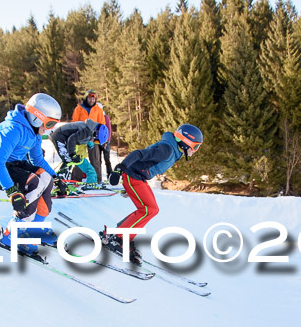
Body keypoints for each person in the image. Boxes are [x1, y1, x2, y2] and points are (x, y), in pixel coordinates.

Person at [102, 123, 204, 265]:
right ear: (187, 142)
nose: (196, 150)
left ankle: (118, 234)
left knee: (150, 209)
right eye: (196, 146)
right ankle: (117, 238)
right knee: (148, 210)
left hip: (138, 178)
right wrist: (119, 169)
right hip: (132, 176)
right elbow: (138, 154)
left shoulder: (173, 150)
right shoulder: (166, 149)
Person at [0, 93, 62, 254]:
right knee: (34, 183)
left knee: (45, 178)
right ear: (37, 117)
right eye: (49, 123)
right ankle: (11, 234)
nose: (49, 129)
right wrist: (12, 191)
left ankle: (33, 229)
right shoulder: (13, 129)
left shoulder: (34, 133)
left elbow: (38, 160)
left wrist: (56, 178)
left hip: (12, 164)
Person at [49, 119, 109, 186]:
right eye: (96, 141)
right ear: (96, 133)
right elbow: (72, 139)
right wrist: (73, 155)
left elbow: (80, 138)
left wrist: (89, 143)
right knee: (68, 161)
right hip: (59, 137)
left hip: (65, 139)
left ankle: (61, 182)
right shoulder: (87, 131)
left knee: (69, 161)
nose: (94, 142)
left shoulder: (90, 130)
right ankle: (57, 183)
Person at [72, 89, 106, 182]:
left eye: (94, 99)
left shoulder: (98, 110)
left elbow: (102, 124)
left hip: (93, 138)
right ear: (86, 98)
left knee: (95, 159)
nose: (92, 100)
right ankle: (76, 179)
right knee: (79, 158)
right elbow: (74, 122)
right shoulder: (79, 108)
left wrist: (102, 138)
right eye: (90, 98)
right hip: (81, 137)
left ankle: (97, 180)